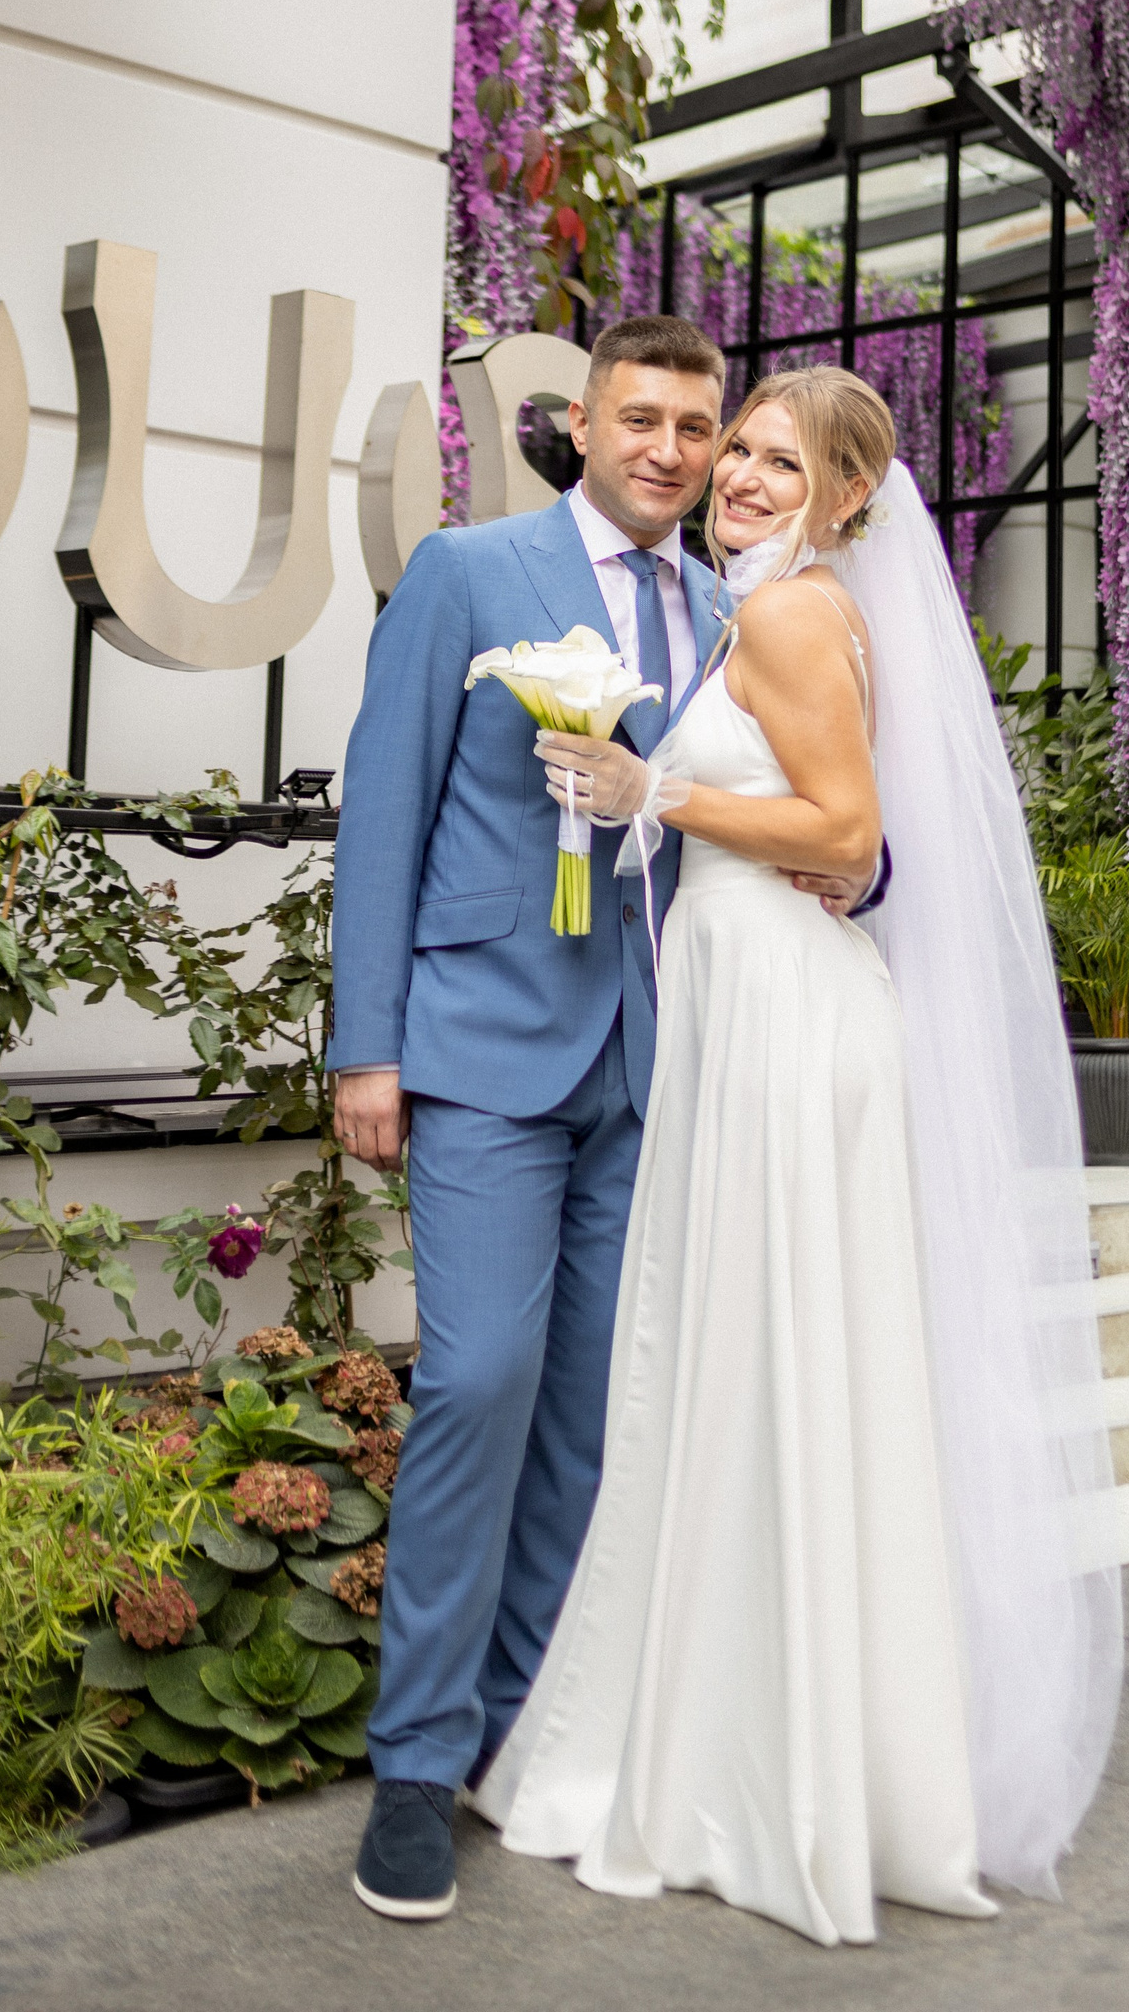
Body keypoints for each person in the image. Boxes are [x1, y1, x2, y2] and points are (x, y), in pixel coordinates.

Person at [475, 365, 1123, 1946]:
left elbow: (845, 832)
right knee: (753, 1369)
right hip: (750, 998)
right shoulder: (767, 606)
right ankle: (759, 1743)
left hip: (780, 1014)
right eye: (741, 449)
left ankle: (765, 1774)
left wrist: (657, 789)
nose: (744, 476)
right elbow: (855, 837)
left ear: (848, 494)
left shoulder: (782, 612)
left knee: (764, 1363)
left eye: (782, 459)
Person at [327, 318, 879, 1924]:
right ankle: (415, 1763)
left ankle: (522, 1732)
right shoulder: (467, 569)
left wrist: (854, 873)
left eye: (700, 429)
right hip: (485, 1052)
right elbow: (385, 811)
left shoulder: (727, 604)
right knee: (479, 1378)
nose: (674, 451)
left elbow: (797, 799)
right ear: (581, 423)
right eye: (645, 419)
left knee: (595, 1411)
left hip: (659, 1063)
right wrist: (367, 1050)